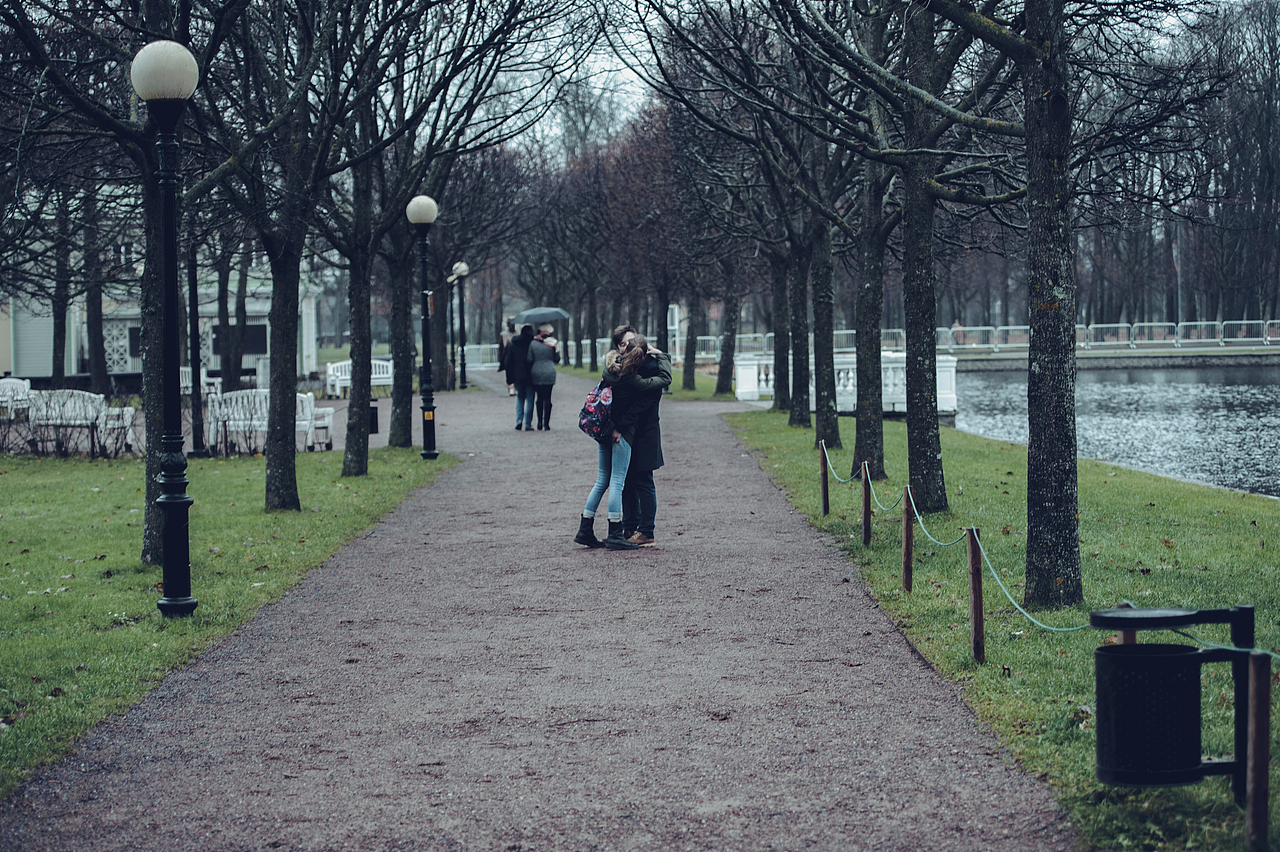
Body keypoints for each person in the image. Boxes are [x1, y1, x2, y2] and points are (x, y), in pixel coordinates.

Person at [574, 333, 671, 550]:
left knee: (604, 480)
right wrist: (662, 355)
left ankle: (586, 528)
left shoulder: (611, 370)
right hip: (622, 433)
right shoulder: (635, 378)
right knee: (619, 481)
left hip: (605, 428)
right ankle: (619, 532)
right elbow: (664, 380)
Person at [620, 338, 665, 547]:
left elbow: (640, 406)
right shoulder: (646, 368)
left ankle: (646, 531)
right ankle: (631, 526)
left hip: (644, 433)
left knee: (644, 481)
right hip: (639, 431)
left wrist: (619, 424)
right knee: (630, 480)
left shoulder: (648, 371)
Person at [527, 323, 560, 430]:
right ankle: (547, 423)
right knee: (548, 398)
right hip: (550, 372)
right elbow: (557, 359)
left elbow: (529, 359)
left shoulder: (533, 343)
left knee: (539, 398)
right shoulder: (553, 343)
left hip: (536, 372)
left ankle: (539, 422)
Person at [506, 324, 535, 430]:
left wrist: (509, 378)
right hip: (530, 375)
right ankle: (528, 423)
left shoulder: (514, 344)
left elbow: (509, 362)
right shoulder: (532, 343)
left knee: (520, 398)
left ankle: (519, 420)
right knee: (530, 399)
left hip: (518, 376)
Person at [497, 318, 516, 396]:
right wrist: (500, 359)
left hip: (516, 357)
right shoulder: (504, 335)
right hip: (507, 357)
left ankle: (515, 387)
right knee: (509, 374)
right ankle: (511, 388)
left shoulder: (517, 334)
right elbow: (501, 348)